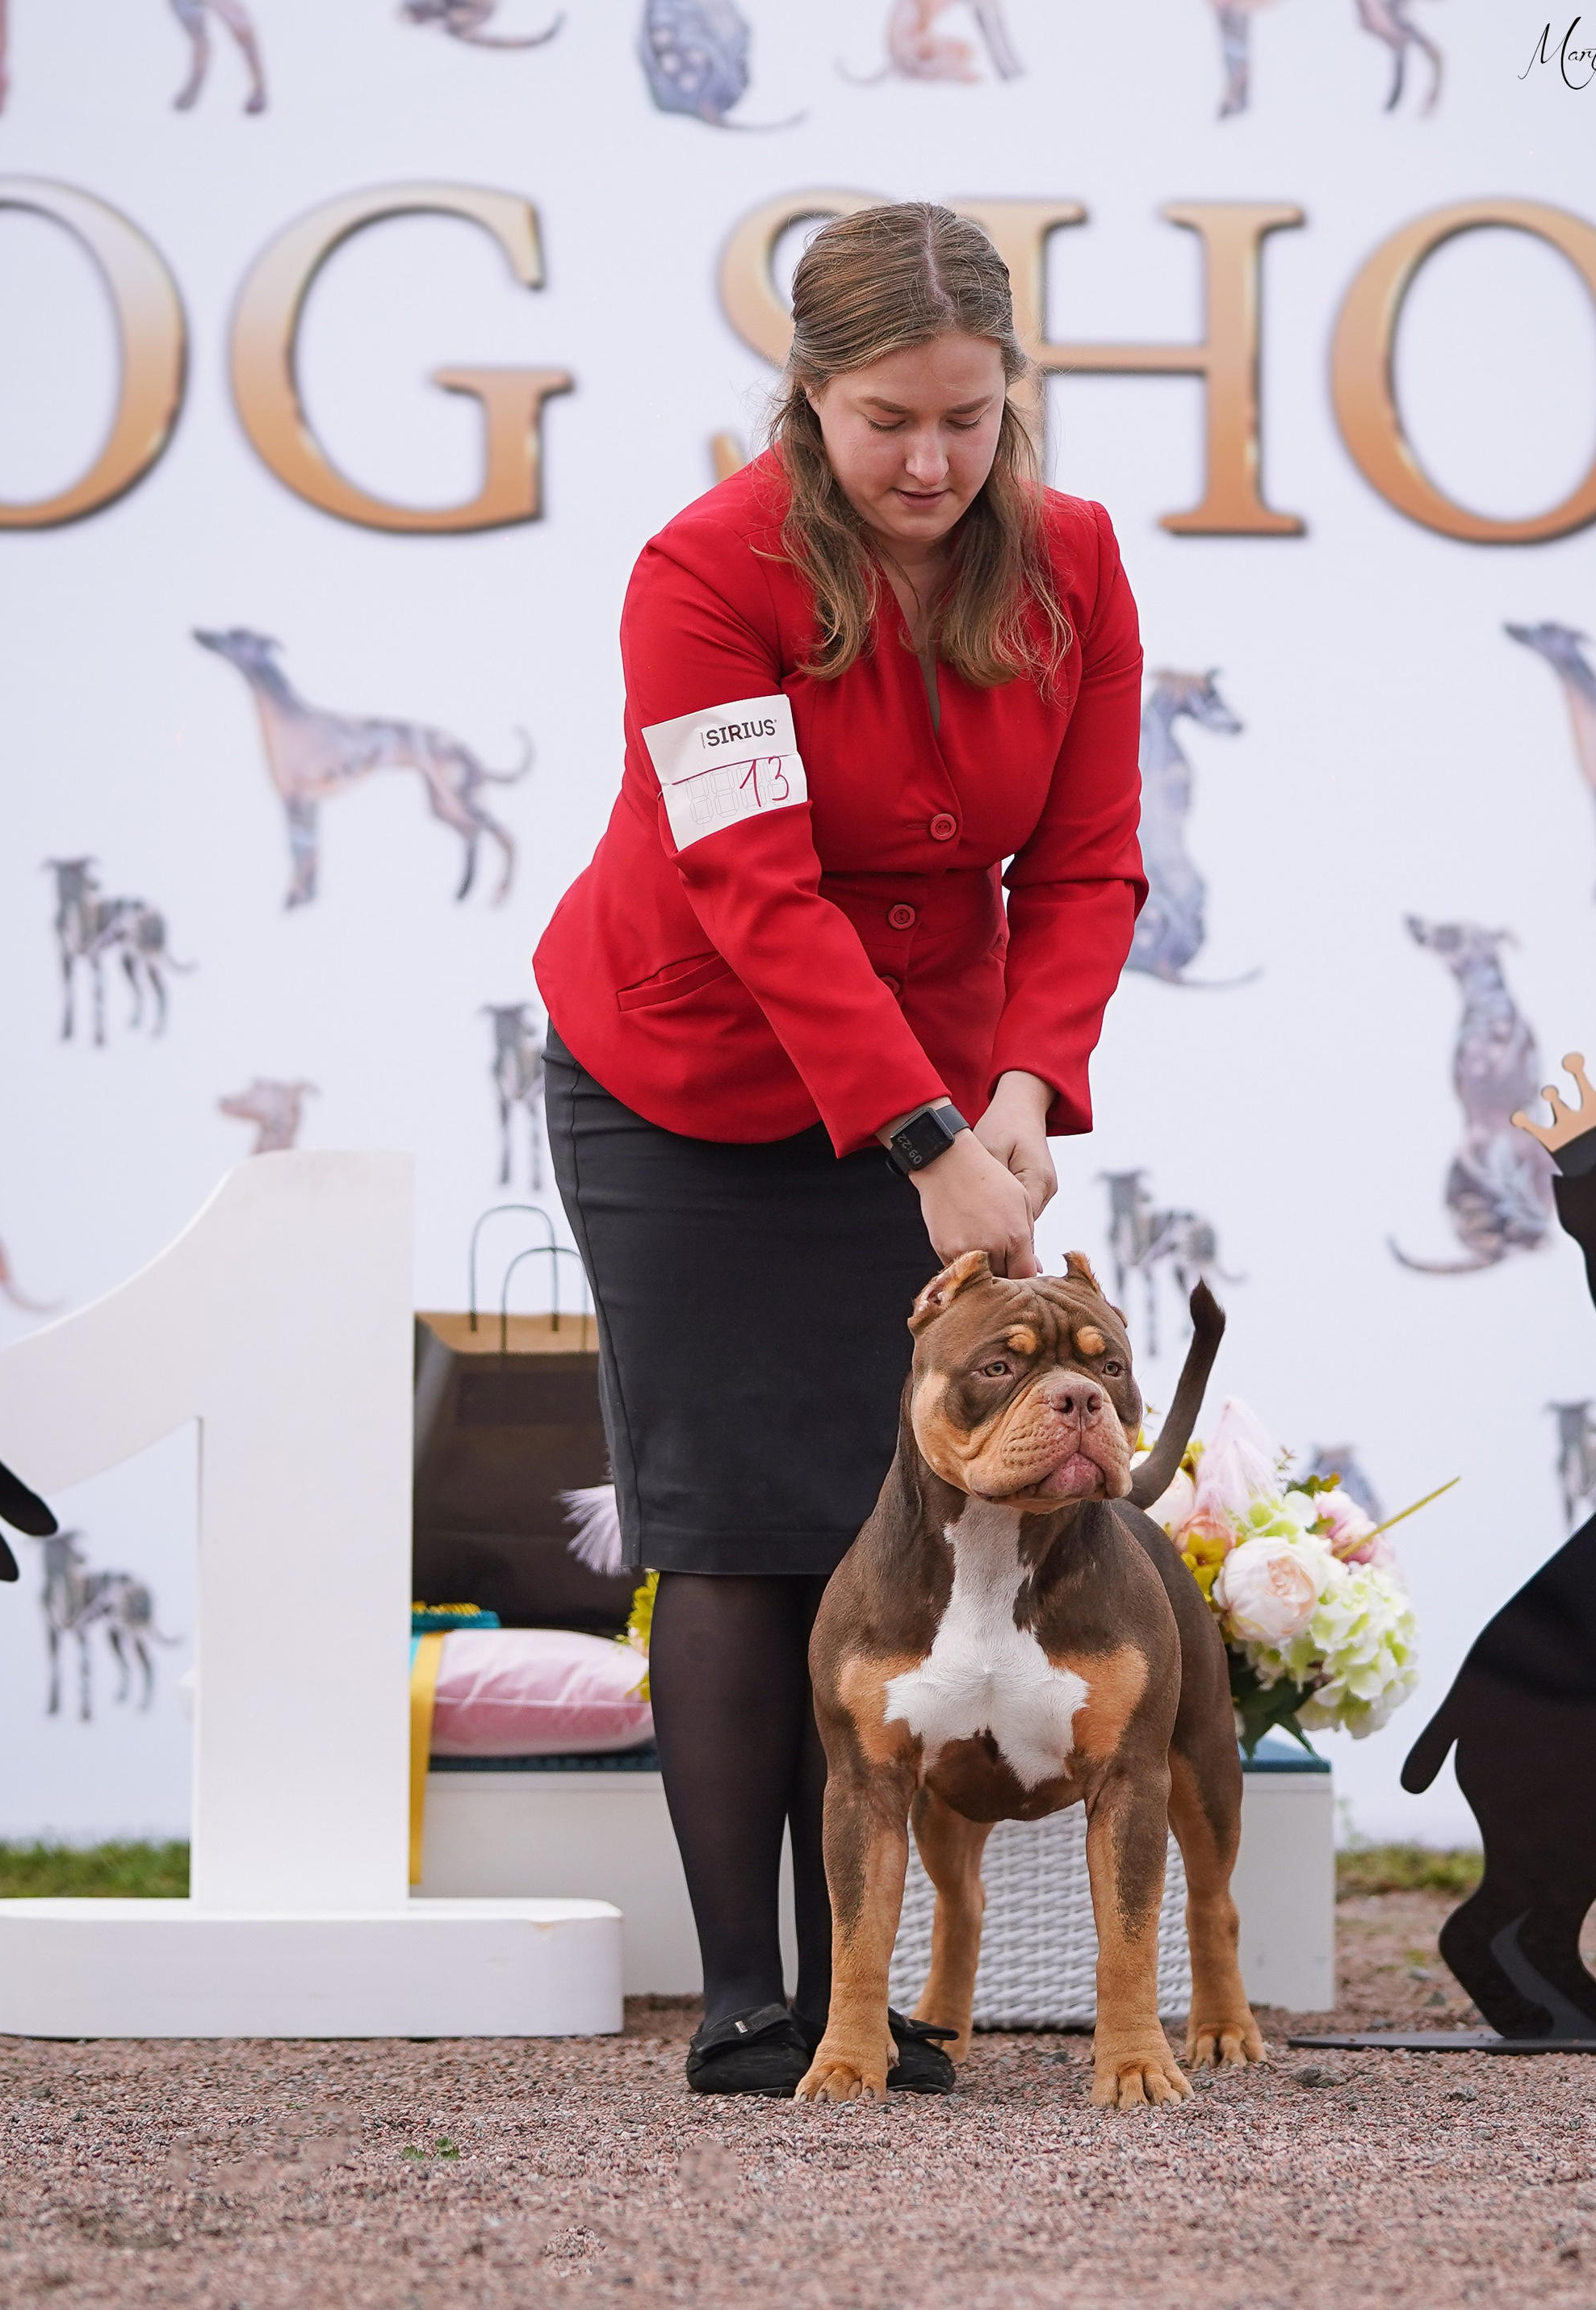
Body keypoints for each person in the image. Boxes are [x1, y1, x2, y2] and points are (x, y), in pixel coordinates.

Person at [535, 202, 1144, 2096]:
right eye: (887, 417)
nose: (930, 461)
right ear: (807, 394)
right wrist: (924, 1139)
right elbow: (750, 882)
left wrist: (1024, 1090)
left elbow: (1090, 859)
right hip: (688, 1080)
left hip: (948, 1098)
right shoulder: (704, 567)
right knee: (734, 1527)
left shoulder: (1073, 562)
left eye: (967, 417)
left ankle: (859, 1992)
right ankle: (744, 1994)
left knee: (885, 1526)